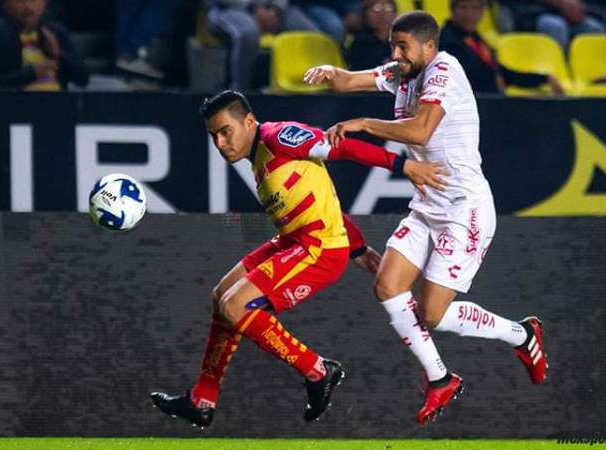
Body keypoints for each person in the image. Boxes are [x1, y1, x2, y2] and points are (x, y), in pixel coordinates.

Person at [304, 11, 548, 425]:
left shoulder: (443, 69)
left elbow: (419, 132)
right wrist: (330, 71)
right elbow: (350, 80)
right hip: (427, 205)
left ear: (428, 46)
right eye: (393, 46)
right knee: (387, 285)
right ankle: (439, 379)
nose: (396, 54)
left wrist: (362, 123)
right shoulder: (404, 72)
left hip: (463, 208)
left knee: (433, 314)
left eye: (403, 47)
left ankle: (521, 334)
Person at [150, 90, 445, 427]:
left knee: (237, 306)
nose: (219, 143)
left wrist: (403, 165)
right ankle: (202, 399)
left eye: (225, 131)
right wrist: (361, 251)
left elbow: (341, 146)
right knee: (221, 297)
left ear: (248, 122)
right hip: (295, 241)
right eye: (213, 135)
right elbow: (322, 202)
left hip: (317, 250)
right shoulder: (258, 159)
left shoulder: (279, 137)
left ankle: (319, 371)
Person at [440, 0, 564, 95]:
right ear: (453, 10)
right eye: (464, 7)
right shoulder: (447, 41)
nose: (469, 14)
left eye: (475, 8)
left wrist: (543, 78)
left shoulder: (475, 39)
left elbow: (502, 74)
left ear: (483, 11)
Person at [0, 0, 88, 90]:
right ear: (6, 5)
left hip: (58, 107)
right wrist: (32, 73)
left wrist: (59, 54)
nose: (27, 6)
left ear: (45, 3)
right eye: (19, 1)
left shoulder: (57, 33)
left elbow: (83, 79)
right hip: (16, 108)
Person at [347, 0, 396, 71]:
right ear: (365, 14)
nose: (382, 14)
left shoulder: (401, 41)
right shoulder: (360, 42)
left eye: (388, 8)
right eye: (376, 9)